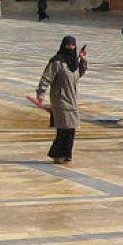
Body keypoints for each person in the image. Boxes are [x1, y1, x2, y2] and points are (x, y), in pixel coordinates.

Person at [36, 35, 87, 164]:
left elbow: (79, 74)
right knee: (64, 127)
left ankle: (66, 154)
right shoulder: (57, 61)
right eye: (68, 45)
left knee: (72, 127)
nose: (70, 47)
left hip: (71, 98)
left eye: (73, 45)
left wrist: (83, 60)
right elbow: (47, 77)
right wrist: (41, 92)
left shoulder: (73, 63)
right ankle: (57, 154)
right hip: (60, 99)